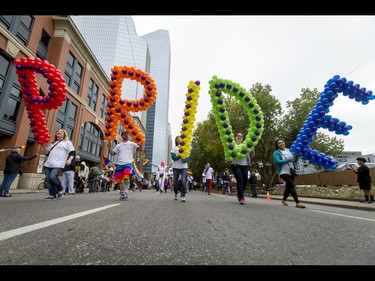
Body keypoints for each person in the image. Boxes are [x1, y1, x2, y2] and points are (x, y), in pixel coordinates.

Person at [42, 129, 75, 200]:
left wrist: (69, 160)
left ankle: (60, 189)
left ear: (64, 135)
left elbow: (73, 153)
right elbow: (47, 153)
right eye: (58, 131)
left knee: (53, 176)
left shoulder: (67, 142)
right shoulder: (53, 143)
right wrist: (44, 147)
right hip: (48, 164)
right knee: (48, 179)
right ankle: (52, 195)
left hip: (58, 163)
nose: (59, 132)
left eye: (61, 132)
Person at [273, 138, 305, 208]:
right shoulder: (276, 152)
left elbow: (294, 160)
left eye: (282, 142)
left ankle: (284, 200)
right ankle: (297, 203)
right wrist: (288, 160)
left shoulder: (289, 150)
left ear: (284, 143)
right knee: (291, 185)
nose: (281, 144)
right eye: (279, 143)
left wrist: (296, 157)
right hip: (282, 172)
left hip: (291, 171)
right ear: (277, 145)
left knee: (288, 187)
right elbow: (278, 161)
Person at [107, 131, 140, 201]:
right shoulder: (119, 145)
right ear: (122, 136)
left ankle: (126, 191)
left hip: (128, 163)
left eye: (128, 135)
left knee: (126, 177)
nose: (127, 136)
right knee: (119, 180)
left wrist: (140, 142)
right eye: (125, 135)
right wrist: (109, 147)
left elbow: (139, 149)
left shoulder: (132, 144)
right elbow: (112, 153)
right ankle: (123, 193)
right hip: (119, 163)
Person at [230, 132, 252, 205]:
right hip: (236, 165)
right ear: (235, 137)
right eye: (238, 136)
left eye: (241, 136)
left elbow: (250, 153)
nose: (239, 137)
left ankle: (239, 193)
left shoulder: (244, 145)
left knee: (245, 180)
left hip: (245, 165)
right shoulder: (232, 145)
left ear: (242, 138)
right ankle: (242, 197)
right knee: (240, 180)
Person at [170, 135, 189, 202]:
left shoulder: (186, 148)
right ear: (176, 141)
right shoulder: (174, 148)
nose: (179, 140)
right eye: (177, 139)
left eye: (180, 139)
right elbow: (173, 158)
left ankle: (183, 195)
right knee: (175, 183)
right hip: (176, 167)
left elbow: (188, 158)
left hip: (183, 167)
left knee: (183, 181)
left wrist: (185, 160)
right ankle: (176, 193)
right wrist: (180, 156)